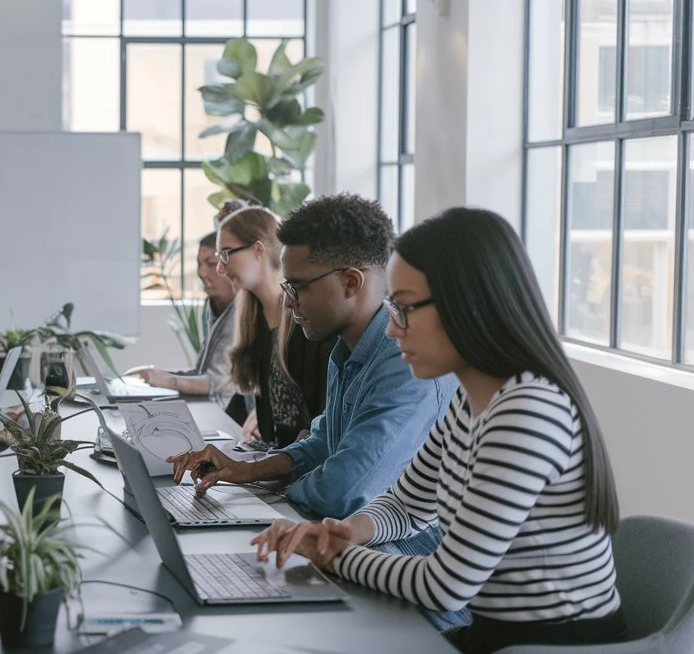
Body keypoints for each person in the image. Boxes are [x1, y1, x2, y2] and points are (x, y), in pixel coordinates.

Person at [251, 208, 625, 654]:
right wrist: (350, 530)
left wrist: (333, 554)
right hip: (498, 644)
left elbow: (447, 585)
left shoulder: (526, 410)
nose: (390, 327)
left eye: (404, 309)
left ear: (465, 305)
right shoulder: (472, 402)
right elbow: (406, 504)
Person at [168, 193, 457, 522]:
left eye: (298, 287)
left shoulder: (404, 362)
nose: (289, 303)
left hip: (395, 558)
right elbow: (325, 441)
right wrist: (247, 470)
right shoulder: (346, 347)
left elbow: (340, 492)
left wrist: (263, 492)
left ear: (350, 282)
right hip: (345, 542)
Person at [214, 204, 333, 448]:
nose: (220, 268)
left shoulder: (305, 320)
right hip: (273, 463)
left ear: (258, 249)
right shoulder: (253, 319)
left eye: (225, 254)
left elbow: (323, 416)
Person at [130, 228, 239, 408]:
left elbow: (220, 382)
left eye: (210, 263)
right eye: (199, 264)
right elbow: (203, 371)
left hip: (227, 414)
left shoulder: (245, 313)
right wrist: (160, 375)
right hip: (208, 405)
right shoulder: (212, 305)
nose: (202, 273)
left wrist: (171, 380)